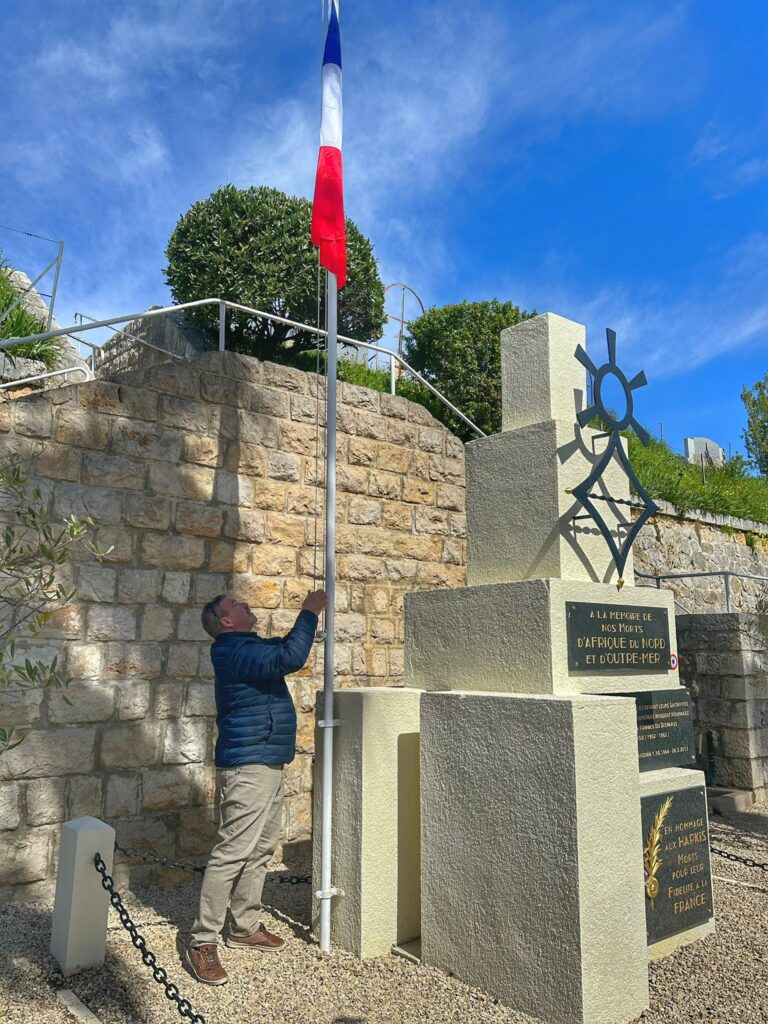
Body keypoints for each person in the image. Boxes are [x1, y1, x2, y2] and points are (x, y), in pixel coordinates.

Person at [186, 589, 329, 986]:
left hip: (265, 760)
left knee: (261, 848)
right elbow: (290, 657)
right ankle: (202, 940)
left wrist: (304, 623)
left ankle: (244, 927)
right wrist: (309, 612)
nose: (245, 603)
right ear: (225, 621)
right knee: (233, 851)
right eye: (235, 604)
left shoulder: (248, 646)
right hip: (247, 765)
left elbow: (282, 649)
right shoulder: (231, 650)